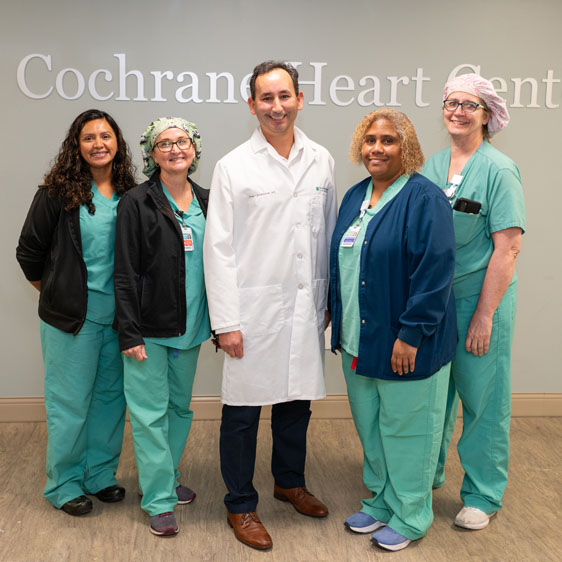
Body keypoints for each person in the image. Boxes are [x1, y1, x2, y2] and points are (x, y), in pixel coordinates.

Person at [203, 60, 336, 551]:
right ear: (252, 105)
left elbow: (328, 235)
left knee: (295, 403)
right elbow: (217, 250)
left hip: (306, 307)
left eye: (284, 96)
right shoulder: (233, 166)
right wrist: (227, 322)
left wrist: (326, 301)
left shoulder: (321, 159)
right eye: (266, 98)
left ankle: (289, 481)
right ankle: (240, 503)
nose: (276, 107)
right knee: (242, 413)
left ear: (300, 99)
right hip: (251, 312)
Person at [330, 109, 457, 552]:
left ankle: (411, 514)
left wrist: (412, 333)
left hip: (406, 341)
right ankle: (382, 500)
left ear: (407, 148)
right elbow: (341, 261)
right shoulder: (353, 197)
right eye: (370, 140)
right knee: (372, 427)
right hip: (359, 340)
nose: (376, 149)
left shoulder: (425, 199)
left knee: (409, 430)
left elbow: (435, 272)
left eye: (388, 140)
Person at [16, 109, 136, 516]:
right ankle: (64, 484)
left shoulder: (131, 193)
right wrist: (55, 292)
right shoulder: (56, 192)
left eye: (106, 135)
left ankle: (100, 474)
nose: (98, 143)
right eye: (89, 137)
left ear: (117, 142)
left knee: (109, 400)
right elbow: (28, 253)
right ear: (76, 145)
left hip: (120, 320)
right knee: (69, 404)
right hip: (71, 320)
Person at [423, 73, 525, 530]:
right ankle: (426, 472)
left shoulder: (499, 169)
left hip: (480, 301)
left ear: (487, 116)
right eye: (452, 102)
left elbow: (508, 248)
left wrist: (484, 316)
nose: (458, 111)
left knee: (482, 400)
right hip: (436, 303)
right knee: (433, 395)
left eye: (470, 105)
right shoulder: (433, 164)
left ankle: (483, 493)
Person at [113, 117, 210, 537]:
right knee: (150, 415)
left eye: (182, 141)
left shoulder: (209, 199)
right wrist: (129, 332)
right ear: (152, 154)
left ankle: (165, 478)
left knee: (178, 409)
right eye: (164, 143)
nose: (175, 149)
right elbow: (125, 271)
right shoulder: (137, 201)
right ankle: (157, 499)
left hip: (191, 329)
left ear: (194, 149)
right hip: (148, 331)